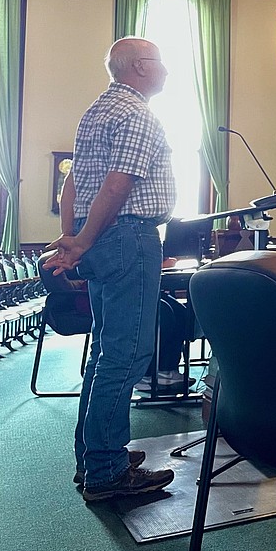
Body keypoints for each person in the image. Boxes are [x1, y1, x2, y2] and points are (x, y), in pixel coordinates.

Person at [45, 37, 177, 502]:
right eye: (160, 61)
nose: (165, 69)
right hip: (127, 236)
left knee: (105, 351)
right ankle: (106, 470)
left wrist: (77, 238)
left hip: (100, 235)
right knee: (126, 354)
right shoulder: (137, 114)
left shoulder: (96, 110)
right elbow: (118, 186)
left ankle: (94, 456)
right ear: (141, 66)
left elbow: (74, 183)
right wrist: (79, 243)